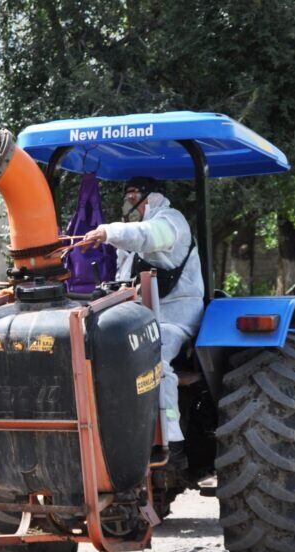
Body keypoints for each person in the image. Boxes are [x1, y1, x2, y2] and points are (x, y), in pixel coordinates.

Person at [78, 176, 204, 461]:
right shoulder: (132, 237)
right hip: (141, 317)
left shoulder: (171, 222)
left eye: (134, 197)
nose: (129, 203)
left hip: (175, 318)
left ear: (152, 198)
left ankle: (170, 437)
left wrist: (107, 231)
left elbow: (149, 235)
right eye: (127, 196)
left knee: (151, 351)